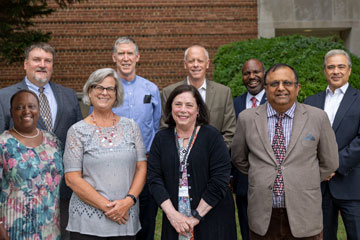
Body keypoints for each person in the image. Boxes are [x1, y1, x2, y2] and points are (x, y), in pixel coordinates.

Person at [231, 63, 339, 239]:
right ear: (266, 88)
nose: (281, 88)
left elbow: (330, 161)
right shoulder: (247, 119)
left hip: (304, 214)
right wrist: (260, 174)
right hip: (263, 216)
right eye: (274, 84)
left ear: (297, 88)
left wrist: (303, 178)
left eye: (287, 83)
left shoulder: (317, 117)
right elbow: (238, 157)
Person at [0, 42, 82, 239]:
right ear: (25, 64)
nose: (42, 65)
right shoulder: (4, 97)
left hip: (62, 194)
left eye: (48, 61)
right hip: (18, 201)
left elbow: (79, 142)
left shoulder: (69, 96)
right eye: (37, 59)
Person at [63, 68, 146, 239]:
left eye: (110, 88)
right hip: (87, 224)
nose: (104, 92)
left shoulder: (131, 127)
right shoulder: (77, 131)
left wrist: (128, 201)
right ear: (89, 92)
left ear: (117, 94)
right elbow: (72, 178)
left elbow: (141, 167)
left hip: (125, 219)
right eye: (98, 87)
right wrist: (110, 208)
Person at [148, 84, 237, 240]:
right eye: (178, 104)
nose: (183, 110)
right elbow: (154, 179)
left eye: (189, 105)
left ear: (198, 110)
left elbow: (219, 180)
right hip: (174, 219)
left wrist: (195, 218)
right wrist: (172, 215)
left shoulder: (212, 137)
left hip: (212, 216)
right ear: (170, 108)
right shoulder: (161, 139)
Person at [304, 49, 360, 240]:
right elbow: (306, 138)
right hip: (320, 185)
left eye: (341, 66)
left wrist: (334, 165)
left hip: (352, 183)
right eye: (331, 67)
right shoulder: (311, 102)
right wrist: (320, 166)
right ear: (325, 71)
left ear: (349, 70)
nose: (336, 71)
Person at [111, 37, 161, 240]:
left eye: (129, 53)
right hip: (115, 168)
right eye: (121, 53)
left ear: (137, 57)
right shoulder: (105, 90)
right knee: (118, 221)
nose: (125, 58)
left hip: (145, 165)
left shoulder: (151, 89)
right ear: (114, 57)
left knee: (147, 221)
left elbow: (157, 126)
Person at [0, 90, 63, 240]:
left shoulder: (53, 141)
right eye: (19, 107)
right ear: (11, 111)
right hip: (13, 229)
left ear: (39, 110)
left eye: (31, 106)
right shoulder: (3, 143)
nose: (26, 111)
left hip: (50, 229)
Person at [160, 45, 236, 149]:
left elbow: (230, 131)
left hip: (213, 159)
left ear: (207, 64)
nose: (196, 65)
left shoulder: (223, 93)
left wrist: (215, 153)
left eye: (200, 61)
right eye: (191, 61)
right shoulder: (168, 92)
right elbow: (165, 128)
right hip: (179, 158)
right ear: (185, 64)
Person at [232, 59, 266, 240]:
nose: (252, 77)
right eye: (247, 73)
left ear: (264, 74)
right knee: (247, 230)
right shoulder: (234, 104)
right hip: (243, 180)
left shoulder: (276, 100)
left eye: (256, 72)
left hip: (271, 181)